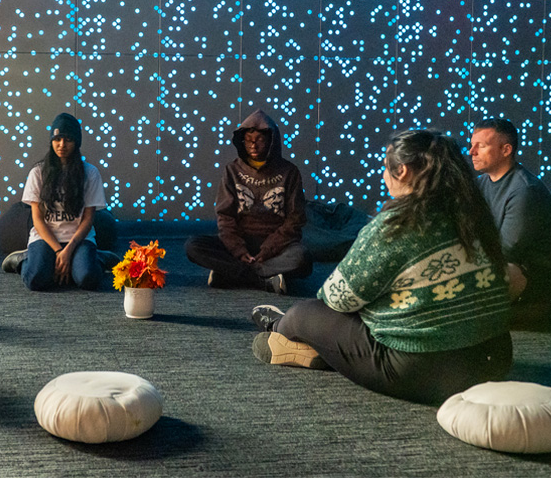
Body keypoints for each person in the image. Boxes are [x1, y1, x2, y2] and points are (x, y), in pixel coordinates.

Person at [249, 130, 512, 404]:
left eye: (386, 168)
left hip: (424, 370)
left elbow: (336, 299)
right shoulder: (476, 216)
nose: (383, 176)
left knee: (305, 313)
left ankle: (279, 329)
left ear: (404, 171)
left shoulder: (395, 225)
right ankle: (316, 349)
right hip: (494, 360)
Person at [185, 110, 312, 295]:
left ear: (271, 141)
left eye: (259, 139)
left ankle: (230, 274)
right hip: (239, 242)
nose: (253, 144)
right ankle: (266, 280)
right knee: (193, 246)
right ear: (241, 141)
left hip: (276, 246)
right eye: (248, 139)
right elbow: (225, 216)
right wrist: (238, 250)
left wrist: (268, 249)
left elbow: (295, 220)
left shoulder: (289, 172)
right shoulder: (232, 170)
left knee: (303, 259)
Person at [470, 118, 551, 323]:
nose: (472, 152)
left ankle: (531, 307)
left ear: (506, 150)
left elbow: (507, 250)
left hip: (533, 275)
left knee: (478, 276)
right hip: (502, 262)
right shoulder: (481, 184)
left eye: (482, 146)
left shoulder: (525, 191)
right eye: (472, 146)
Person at [3, 112, 107, 291]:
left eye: (68, 140)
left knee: (87, 279)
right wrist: (59, 251)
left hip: (78, 239)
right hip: (45, 238)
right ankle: (22, 260)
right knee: (36, 279)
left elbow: (88, 219)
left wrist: (69, 249)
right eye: (57, 139)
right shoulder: (38, 172)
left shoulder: (90, 173)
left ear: (77, 142)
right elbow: (37, 219)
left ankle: (98, 257)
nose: (62, 145)